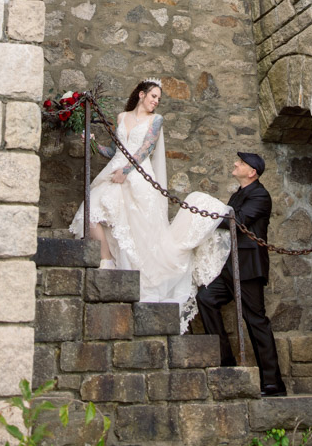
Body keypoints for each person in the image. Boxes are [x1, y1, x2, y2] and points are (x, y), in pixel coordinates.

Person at [69, 79, 231, 332]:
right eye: (153, 96)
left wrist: (126, 170)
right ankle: (107, 260)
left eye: (159, 99)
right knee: (91, 211)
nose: (156, 101)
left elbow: (145, 149)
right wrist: (90, 143)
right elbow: (113, 149)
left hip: (138, 177)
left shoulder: (156, 121)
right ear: (141, 95)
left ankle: (138, 277)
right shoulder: (121, 116)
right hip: (113, 173)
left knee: (139, 232)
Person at [196, 151, 286, 397]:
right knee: (205, 298)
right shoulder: (238, 194)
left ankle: (272, 383)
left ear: (252, 172)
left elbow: (240, 221)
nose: (236, 164)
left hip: (247, 268)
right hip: (228, 266)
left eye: (241, 163)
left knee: (255, 320)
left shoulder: (260, 195)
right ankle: (225, 362)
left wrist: (210, 210)